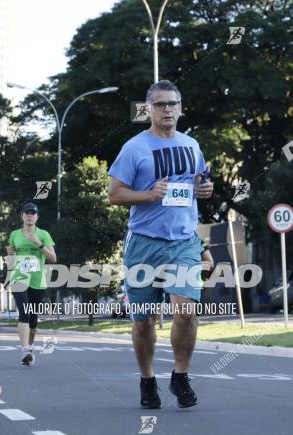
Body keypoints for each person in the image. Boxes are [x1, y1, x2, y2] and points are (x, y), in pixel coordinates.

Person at [107, 79, 214, 409]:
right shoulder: (134, 148)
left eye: (172, 104)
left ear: (180, 108)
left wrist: (203, 190)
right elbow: (114, 193)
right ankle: (147, 379)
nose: (167, 109)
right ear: (148, 109)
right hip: (143, 244)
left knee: (186, 311)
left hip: (183, 242)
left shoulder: (192, 146)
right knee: (144, 320)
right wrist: (148, 194)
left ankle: (180, 376)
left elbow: (197, 183)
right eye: (160, 104)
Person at [6, 202, 56, 366]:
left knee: (33, 321)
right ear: (22, 216)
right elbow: (12, 257)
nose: (29, 216)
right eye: (26, 213)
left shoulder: (43, 234)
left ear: (36, 217)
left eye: (32, 213)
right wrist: (11, 254)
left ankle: (30, 347)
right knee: (24, 313)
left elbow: (53, 258)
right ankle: (25, 350)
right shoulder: (14, 234)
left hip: (37, 280)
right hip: (19, 277)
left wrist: (38, 242)